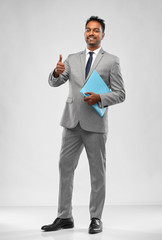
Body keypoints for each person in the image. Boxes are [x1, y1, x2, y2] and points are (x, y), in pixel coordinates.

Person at [41, 16, 125, 234]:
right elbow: (55, 82)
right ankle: (64, 216)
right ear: (84, 33)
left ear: (102, 35)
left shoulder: (112, 61)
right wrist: (57, 72)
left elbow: (120, 93)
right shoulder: (71, 58)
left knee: (97, 172)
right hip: (71, 122)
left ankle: (96, 218)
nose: (91, 33)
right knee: (65, 167)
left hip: (95, 124)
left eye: (96, 30)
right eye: (88, 30)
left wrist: (100, 97)